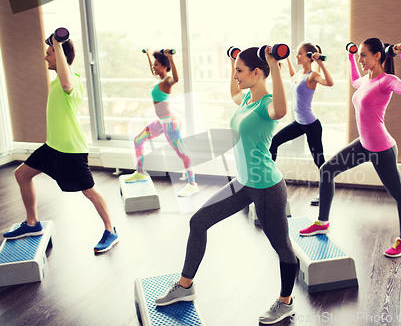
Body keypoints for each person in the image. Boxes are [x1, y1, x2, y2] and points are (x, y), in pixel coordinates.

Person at [153, 46, 298, 324]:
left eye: (240, 71)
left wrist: (275, 65)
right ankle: (185, 286)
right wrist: (234, 61)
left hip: (266, 187)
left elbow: (281, 109)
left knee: (282, 247)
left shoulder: (267, 104)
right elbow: (233, 92)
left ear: (258, 73)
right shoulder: (246, 100)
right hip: (243, 182)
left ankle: (285, 302)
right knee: (199, 221)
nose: (236, 76)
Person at [3, 30, 118, 253]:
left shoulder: (72, 82)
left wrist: (57, 43)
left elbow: (67, 84)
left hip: (70, 150)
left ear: (60, 56)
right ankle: (32, 223)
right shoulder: (56, 81)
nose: (46, 57)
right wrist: (54, 44)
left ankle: (110, 230)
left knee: (89, 191)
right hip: (51, 147)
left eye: (49, 53)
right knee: (21, 174)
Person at [299, 38, 401, 258]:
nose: (361, 59)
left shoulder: (386, 80)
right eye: (360, 55)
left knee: (398, 193)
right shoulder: (366, 80)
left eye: (364, 55)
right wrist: (351, 57)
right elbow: (354, 81)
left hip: (382, 149)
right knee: (327, 170)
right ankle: (322, 222)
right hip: (363, 144)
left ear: (378, 55)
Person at [125, 49, 198, 197]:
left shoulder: (167, 81)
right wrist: (148, 57)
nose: (154, 67)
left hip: (171, 124)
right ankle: (140, 172)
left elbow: (176, 79)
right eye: (154, 65)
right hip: (161, 122)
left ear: (165, 67)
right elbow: (153, 71)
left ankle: (192, 184)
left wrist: (171, 58)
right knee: (138, 140)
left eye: (156, 65)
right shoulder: (159, 79)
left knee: (183, 154)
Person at [269, 42, 333, 204]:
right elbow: (292, 76)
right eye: (297, 53)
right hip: (299, 123)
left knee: (319, 161)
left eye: (300, 53)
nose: (297, 56)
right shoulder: (298, 75)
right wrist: (286, 58)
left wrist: (320, 64)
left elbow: (329, 82)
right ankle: (268, 182)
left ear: (309, 56)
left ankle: (325, 193)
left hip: (311, 125)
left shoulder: (312, 76)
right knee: (274, 142)